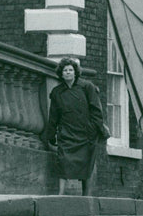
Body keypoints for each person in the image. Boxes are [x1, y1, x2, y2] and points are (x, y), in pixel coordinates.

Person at [44, 57, 109, 196]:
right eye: (65, 70)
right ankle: (60, 194)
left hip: (85, 133)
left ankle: (86, 195)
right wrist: (51, 134)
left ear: (75, 72)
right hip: (66, 132)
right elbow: (53, 115)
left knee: (86, 163)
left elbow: (96, 110)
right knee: (63, 161)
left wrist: (94, 128)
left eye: (70, 70)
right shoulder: (57, 92)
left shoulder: (87, 87)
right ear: (61, 73)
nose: (68, 73)